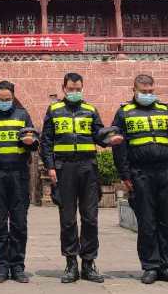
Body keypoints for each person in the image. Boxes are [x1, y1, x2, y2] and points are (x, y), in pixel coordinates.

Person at [110, 74, 168, 285]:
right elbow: (118, 147)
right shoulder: (124, 113)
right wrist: (125, 175)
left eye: (150, 91)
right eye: (144, 91)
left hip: (166, 170)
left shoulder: (164, 110)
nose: (148, 94)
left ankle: (166, 266)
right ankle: (150, 266)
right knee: (147, 222)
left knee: (167, 220)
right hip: (140, 173)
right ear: (134, 90)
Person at [40, 72, 120, 283]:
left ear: (82, 88)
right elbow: (46, 141)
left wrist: (109, 140)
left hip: (88, 168)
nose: (74, 92)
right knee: (67, 219)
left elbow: (99, 136)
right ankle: (71, 264)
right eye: (71, 89)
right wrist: (50, 166)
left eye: (78, 89)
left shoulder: (90, 110)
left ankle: (88, 263)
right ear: (64, 88)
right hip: (64, 168)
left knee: (90, 218)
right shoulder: (54, 110)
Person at [0, 80, 38, 283]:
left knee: (19, 222)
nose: (5, 102)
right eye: (1, 99)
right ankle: (1, 266)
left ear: (13, 97)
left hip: (19, 175)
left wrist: (31, 142)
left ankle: (18, 266)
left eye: (8, 99)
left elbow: (33, 142)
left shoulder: (22, 115)